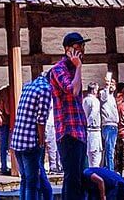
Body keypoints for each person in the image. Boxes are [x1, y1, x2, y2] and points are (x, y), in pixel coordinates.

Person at [50, 32, 90, 200]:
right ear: (68, 49)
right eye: (78, 46)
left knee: (79, 178)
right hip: (68, 131)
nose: (82, 49)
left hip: (79, 130)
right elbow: (72, 90)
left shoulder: (74, 69)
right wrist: (79, 67)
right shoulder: (58, 69)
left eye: (83, 46)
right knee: (72, 178)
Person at [11, 74, 53, 200]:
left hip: (17, 139)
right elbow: (41, 120)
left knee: (25, 179)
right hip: (30, 141)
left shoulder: (28, 86)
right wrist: (41, 142)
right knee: (32, 183)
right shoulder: (45, 89)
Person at [98, 72, 118, 169]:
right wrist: (106, 85)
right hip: (108, 125)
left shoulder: (113, 97)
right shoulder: (103, 93)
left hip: (114, 125)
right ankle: (110, 170)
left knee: (112, 149)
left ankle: (109, 168)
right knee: (109, 149)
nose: (112, 86)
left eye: (113, 85)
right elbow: (104, 97)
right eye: (111, 84)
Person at [83, 84, 103, 170]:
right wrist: (88, 123)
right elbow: (93, 114)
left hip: (87, 130)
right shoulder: (95, 101)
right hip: (94, 129)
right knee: (96, 156)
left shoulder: (84, 100)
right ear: (94, 90)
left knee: (89, 155)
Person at [0, 83, 14, 175]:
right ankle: (4, 167)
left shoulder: (3, 92)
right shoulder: (6, 93)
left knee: (6, 145)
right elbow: (7, 109)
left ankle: (5, 166)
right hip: (4, 122)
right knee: (5, 145)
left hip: (5, 121)